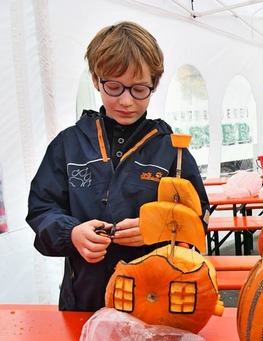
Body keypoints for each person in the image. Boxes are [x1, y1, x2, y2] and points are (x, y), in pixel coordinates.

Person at [26, 21, 208, 312]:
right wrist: (71, 233)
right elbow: (41, 210)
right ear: (97, 80)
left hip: (157, 306)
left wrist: (159, 229)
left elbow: (199, 220)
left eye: (139, 89)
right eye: (114, 87)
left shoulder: (172, 151)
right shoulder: (67, 145)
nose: (126, 101)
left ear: (155, 84)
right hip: (85, 302)